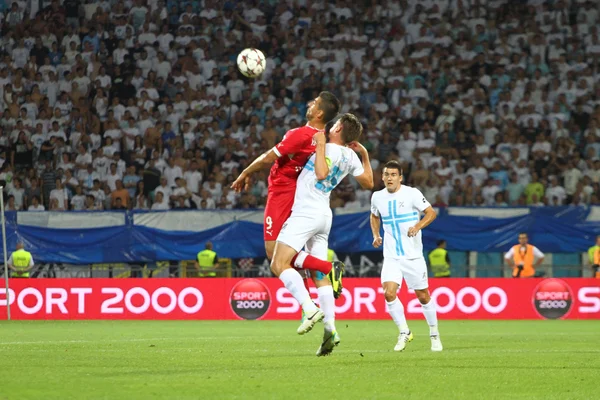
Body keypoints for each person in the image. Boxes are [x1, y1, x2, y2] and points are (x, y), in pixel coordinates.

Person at [271, 113, 373, 356]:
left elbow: (320, 173)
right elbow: (369, 183)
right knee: (316, 274)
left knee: (278, 262)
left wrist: (318, 146)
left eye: (334, 124)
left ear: (337, 128)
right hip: (324, 215)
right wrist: (365, 155)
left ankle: (310, 306)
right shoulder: (351, 156)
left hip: (306, 212)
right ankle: (331, 329)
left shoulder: (328, 148)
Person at [231, 92, 345, 293]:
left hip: (282, 193)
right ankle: (308, 308)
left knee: (274, 254)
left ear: (319, 113)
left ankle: (328, 267)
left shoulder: (301, 134)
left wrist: (245, 172)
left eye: (315, 103)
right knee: (290, 255)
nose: (310, 103)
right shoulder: (322, 140)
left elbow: (268, 158)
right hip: (299, 195)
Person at [370, 160, 442, 352]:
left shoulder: (412, 193)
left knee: (423, 296)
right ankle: (404, 331)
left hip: (413, 256)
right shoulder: (377, 197)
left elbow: (431, 213)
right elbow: (374, 215)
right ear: (383, 177)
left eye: (393, 175)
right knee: (389, 293)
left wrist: (417, 226)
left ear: (400, 178)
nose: (389, 178)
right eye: (386, 174)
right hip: (392, 256)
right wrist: (376, 235)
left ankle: (434, 334)